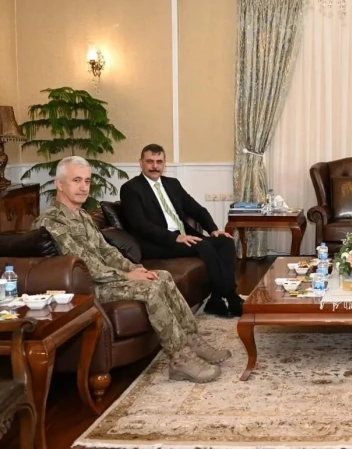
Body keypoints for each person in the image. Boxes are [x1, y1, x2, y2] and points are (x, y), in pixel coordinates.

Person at [33, 156, 229, 383]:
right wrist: (127, 276)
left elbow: (108, 251)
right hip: (86, 289)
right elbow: (85, 265)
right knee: (151, 289)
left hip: (106, 279)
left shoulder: (82, 215)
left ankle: (193, 341)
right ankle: (180, 360)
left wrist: (136, 269)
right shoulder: (52, 222)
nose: (84, 187)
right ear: (59, 184)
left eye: (87, 181)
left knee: (162, 277)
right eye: (76, 180)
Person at [120, 144, 242, 318]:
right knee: (204, 246)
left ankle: (225, 296)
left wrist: (213, 229)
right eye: (150, 161)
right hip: (158, 242)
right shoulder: (130, 188)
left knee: (225, 242)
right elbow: (140, 225)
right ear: (140, 163)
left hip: (183, 235)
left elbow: (197, 210)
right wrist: (175, 238)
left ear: (164, 164)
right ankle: (222, 298)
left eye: (159, 162)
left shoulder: (172, 184)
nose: (155, 166)